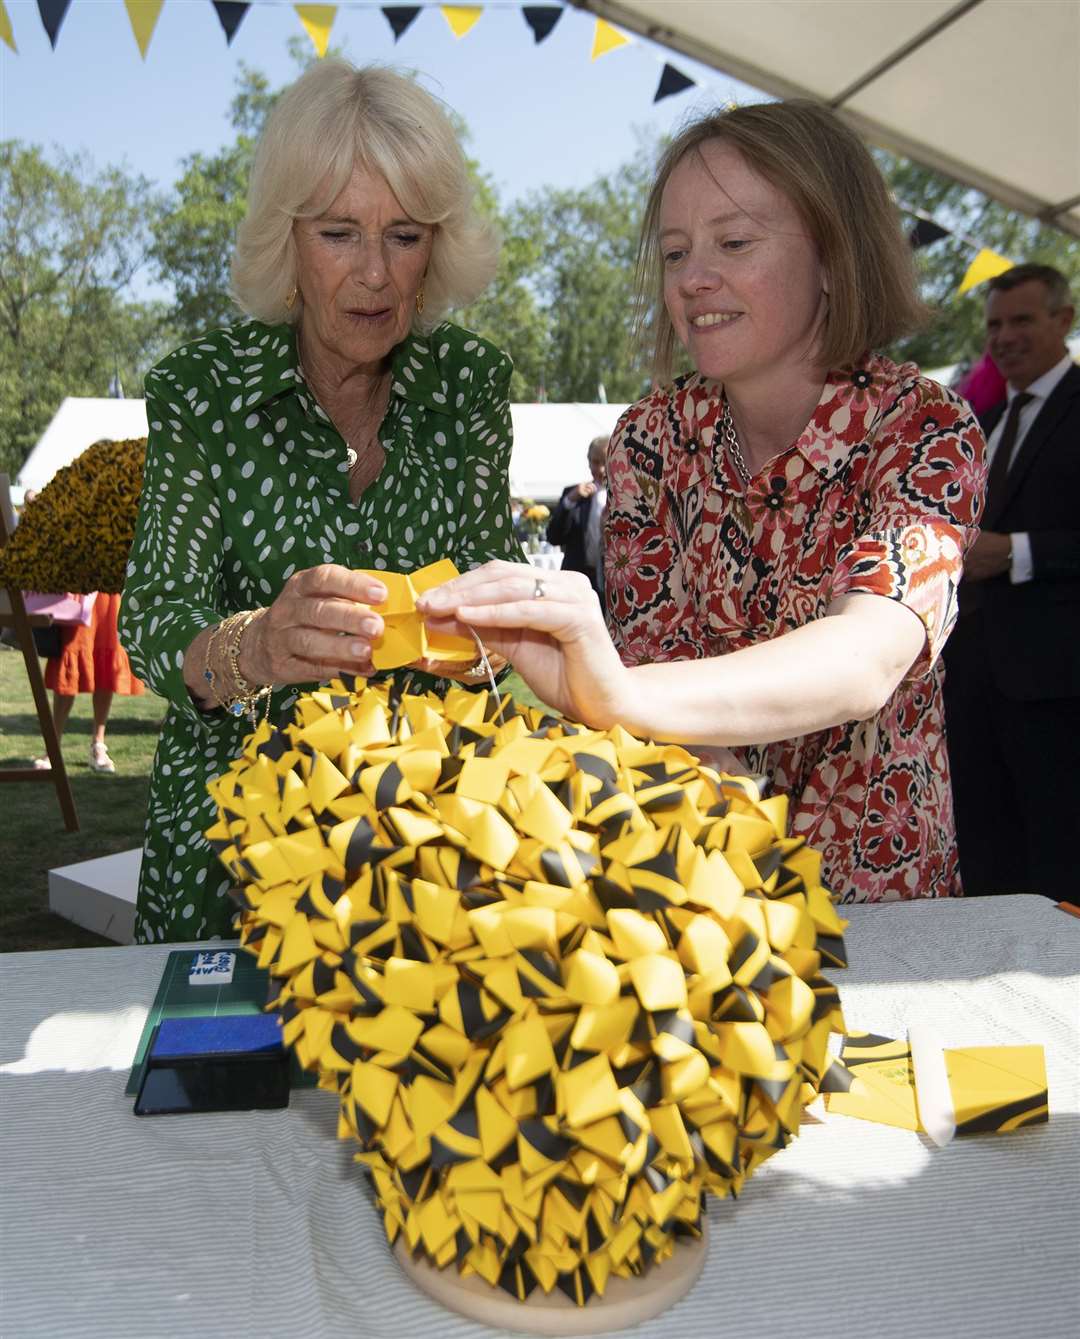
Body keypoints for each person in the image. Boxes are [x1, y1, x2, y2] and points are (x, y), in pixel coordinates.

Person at [418, 100, 987, 904]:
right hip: (697, 900)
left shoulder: (924, 427)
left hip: (882, 915)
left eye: (735, 242)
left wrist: (615, 692)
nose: (692, 278)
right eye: (676, 251)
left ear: (835, 254)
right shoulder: (650, 438)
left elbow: (866, 657)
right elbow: (656, 674)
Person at [119, 61, 522, 943]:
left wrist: (487, 633)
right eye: (341, 233)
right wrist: (255, 644)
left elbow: (503, 584)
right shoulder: (204, 391)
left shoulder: (473, 386)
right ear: (288, 241)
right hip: (236, 848)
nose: (375, 274)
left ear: (437, 248)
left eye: (405, 236)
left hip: (429, 841)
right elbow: (152, 621)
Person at [943, 264, 1079, 897]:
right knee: (989, 860)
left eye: (1021, 320)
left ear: (1065, 319)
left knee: (1058, 860)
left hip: (1056, 693)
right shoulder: (985, 420)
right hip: (973, 685)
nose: (1004, 337)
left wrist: (1018, 553)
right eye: (994, 323)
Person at [34, 592, 145, 774]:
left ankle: (98, 744)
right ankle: (52, 749)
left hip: (108, 592)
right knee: (69, 661)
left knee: (105, 664)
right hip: (78, 591)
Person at [545, 435, 608, 595]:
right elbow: (553, 537)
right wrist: (569, 502)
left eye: (605, 462)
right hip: (577, 582)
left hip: (612, 583)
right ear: (588, 462)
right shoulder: (573, 494)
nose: (600, 468)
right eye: (595, 462)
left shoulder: (626, 497)